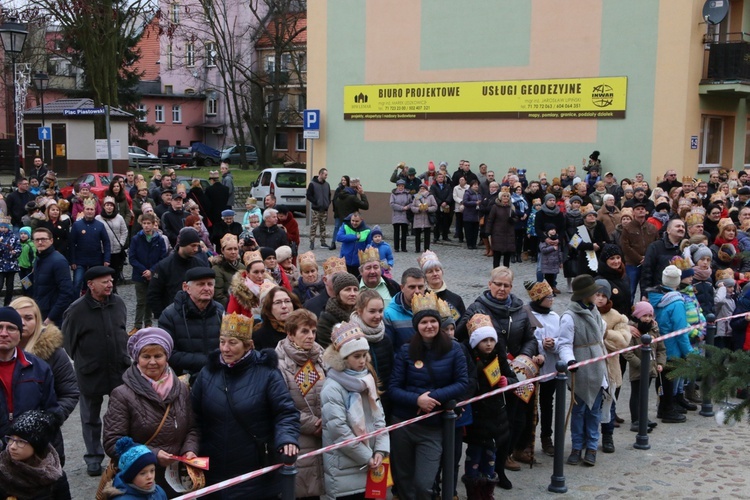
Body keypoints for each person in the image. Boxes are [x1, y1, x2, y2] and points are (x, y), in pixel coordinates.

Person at [191, 313, 300, 498]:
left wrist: (287, 439)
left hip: (255, 474)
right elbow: (194, 417)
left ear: (248, 345)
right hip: (215, 472)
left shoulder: (267, 374)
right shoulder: (207, 373)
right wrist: (191, 450)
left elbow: (285, 412)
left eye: (232, 343)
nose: (225, 349)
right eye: (222, 341)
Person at [456, 266, 539, 471]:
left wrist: (524, 356)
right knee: (495, 420)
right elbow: (460, 336)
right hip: (488, 373)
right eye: (498, 284)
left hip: (515, 371)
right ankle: (491, 462)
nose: (502, 289)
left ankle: (508, 453)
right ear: (489, 284)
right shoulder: (476, 307)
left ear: (511, 287)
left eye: (506, 285)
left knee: (517, 418)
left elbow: (530, 339)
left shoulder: (520, 309)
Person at [389, 293, 469, 500]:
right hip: (404, 423)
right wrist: (417, 399)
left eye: (433, 321)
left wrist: (432, 398)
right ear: (417, 325)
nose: (429, 326)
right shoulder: (406, 350)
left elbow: (462, 383)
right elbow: (394, 388)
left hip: (433, 426)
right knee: (404, 479)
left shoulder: (455, 349)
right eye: (424, 322)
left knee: (424, 484)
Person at [103, 328, 199, 496]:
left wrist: (189, 450)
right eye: (146, 357)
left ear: (167, 357)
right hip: (140, 482)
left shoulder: (182, 389)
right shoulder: (122, 394)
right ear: (137, 358)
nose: (152, 362)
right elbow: (113, 442)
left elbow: (192, 428)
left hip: (177, 478)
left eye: (158, 356)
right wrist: (152, 455)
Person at [62, 266, 129, 476]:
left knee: (121, 416)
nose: (110, 284)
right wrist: (86, 361)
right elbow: (69, 344)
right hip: (91, 372)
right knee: (90, 417)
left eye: (111, 280)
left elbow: (122, 330)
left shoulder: (118, 303)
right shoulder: (76, 310)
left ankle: (122, 455)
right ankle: (93, 458)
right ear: (90, 285)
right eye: (104, 281)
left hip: (119, 369)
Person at [321, 321, 389, 500]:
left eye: (364, 355)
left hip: (372, 462)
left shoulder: (367, 380)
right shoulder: (332, 387)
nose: (362, 361)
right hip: (346, 470)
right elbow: (339, 431)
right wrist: (368, 457)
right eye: (356, 356)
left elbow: (379, 418)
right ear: (344, 358)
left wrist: (380, 451)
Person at [11, 297, 79, 466]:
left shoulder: (54, 353)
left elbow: (70, 392)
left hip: (44, 439)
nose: (23, 323)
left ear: (37, 320)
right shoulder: (4, 352)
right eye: (18, 318)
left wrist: (48, 421)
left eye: (28, 318)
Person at [556, 275, 608, 467]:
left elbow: (600, 333)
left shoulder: (594, 311)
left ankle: (592, 446)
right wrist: (571, 361)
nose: (597, 294)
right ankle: (577, 446)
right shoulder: (569, 317)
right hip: (581, 369)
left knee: (594, 410)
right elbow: (564, 343)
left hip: (597, 366)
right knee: (578, 410)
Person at [275, 309, 326, 499]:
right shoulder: (280, 364)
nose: (310, 336)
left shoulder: (320, 357)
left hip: (325, 437)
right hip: (299, 439)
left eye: (313, 331)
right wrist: (312, 423)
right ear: (290, 334)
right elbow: (281, 405)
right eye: (304, 331)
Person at [462, 313, 515, 496]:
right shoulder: (470, 359)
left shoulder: (498, 358)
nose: (489, 344)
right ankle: (473, 491)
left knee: (491, 457)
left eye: (492, 340)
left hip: (497, 417)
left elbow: (513, 378)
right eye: (484, 340)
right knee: (474, 457)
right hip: (478, 418)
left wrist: (506, 381)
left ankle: (487, 491)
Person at [159, 267, 224, 382]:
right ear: (186, 287)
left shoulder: (219, 310)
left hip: (218, 375)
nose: (206, 288)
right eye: (201, 284)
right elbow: (167, 353)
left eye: (210, 284)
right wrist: (207, 360)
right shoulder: (169, 315)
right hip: (184, 378)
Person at [593, 280, 631, 454]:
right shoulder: (585, 312)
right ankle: (589, 438)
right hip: (591, 369)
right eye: (597, 295)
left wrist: (605, 334)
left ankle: (608, 436)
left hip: (610, 369)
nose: (600, 299)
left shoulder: (617, 317)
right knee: (590, 406)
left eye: (603, 296)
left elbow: (623, 342)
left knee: (609, 405)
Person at [0, 410, 71, 499]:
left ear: (37, 446)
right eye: (11, 439)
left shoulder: (54, 477)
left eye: (21, 441)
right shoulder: (2, 472)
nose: (12, 446)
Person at [525, 280, 560, 458]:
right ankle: (525, 441)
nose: (551, 299)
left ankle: (547, 437)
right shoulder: (526, 314)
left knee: (547, 403)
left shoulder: (555, 317)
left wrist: (553, 344)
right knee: (529, 406)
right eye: (548, 297)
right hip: (531, 367)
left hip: (550, 367)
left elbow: (562, 339)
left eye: (551, 296)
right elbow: (525, 339)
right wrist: (540, 345)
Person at [147, 227, 210, 321]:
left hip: (197, 316)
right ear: (182, 244)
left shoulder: (200, 264)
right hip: (172, 317)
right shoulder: (164, 266)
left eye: (198, 246)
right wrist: (162, 315)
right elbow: (154, 293)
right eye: (193, 245)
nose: (196, 249)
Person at [349, 290, 394, 414]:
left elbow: (391, 369)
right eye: (372, 311)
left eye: (380, 311)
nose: (378, 316)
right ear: (360, 311)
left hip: (385, 399)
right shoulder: (350, 338)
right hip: (361, 402)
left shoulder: (385, 338)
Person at [623, 301, 665, 432]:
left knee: (645, 393)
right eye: (644, 315)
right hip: (638, 369)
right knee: (636, 394)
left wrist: (660, 363)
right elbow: (627, 352)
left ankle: (643, 416)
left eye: (649, 315)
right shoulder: (632, 331)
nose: (647, 318)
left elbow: (661, 348)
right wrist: (642, 365)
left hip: (651, 368)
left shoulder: (654, 329)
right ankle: (636, 420)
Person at [128, 213, 169, 333]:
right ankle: (137, 325)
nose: (146, 226)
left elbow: (162, 258)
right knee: (141, 301)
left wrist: (152, 271)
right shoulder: (136, 239)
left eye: (148, 223)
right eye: (144, 223)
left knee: (150, 299)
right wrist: (143, 270)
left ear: (153, 224)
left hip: (154, 274)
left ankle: (148, 323)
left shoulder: (159, 240)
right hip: (139, 274)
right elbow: (132, 258)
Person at [31, 228, 75, 326]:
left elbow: (66, 292)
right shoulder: (39, 258)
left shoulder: (58, 261)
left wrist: (51, 317)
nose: (40, 242)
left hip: (52, 316)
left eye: (43, 239)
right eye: (37, 240)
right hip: (40, 310)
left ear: (51, 241)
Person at [103, 437, 167, 499]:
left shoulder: (159, 492)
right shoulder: (122, 498)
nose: (150, 476)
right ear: (130, 476)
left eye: (152, 470)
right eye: (142, 473)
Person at [69, 198, 111, 293]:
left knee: (95, 284)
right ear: (83, 210)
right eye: (87, 209)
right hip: (80, 261)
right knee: (77, 282)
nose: (89, 211)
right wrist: (72, 261)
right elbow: (71, 243)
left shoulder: (100, 225)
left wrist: (106, 259)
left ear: (95, 211)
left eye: (91, 209)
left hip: (96, 260)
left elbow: (106, 242)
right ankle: (75, 303)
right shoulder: (77, 225)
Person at [384, 268, 427, 352]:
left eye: (420, 287)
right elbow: (389, 350)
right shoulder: (389, 314)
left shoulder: (432, 308)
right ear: (402, 288)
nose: (417, 291)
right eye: (412, 287)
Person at [641, 218, 686, 297]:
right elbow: (647, 271)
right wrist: (646, 294)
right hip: (659, 293)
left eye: (683, 227)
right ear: (668, 230)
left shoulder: (686, 248)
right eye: (678, 226)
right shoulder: (655, 247)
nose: (681, 228)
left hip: (681, 294)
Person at [418, 250, 466, 321]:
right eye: (430, 271)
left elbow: (463, 323)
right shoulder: (420, 299)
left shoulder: (456, 299)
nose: (435, 274)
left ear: (442, 272)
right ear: (424, 276)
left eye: (437, 270)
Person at [317, 272, 360, 348]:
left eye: (355, 290)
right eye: (347, 289)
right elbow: (328, 348)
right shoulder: (326, 319)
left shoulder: (360, 313)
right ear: (338, 293)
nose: (353, 293)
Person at [253, 286, 302, 351]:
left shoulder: (306, 328)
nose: (284, 306)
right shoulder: (260, 335)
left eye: (287, 301)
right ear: (269, 308)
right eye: (278, 302)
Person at [97, 197, 129, 287]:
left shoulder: (119, 218)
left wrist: (121, 243)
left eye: (111, 205)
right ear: (104, 206)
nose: (109, 207)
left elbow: (124, 231)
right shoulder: (98, 218)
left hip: (116, 250)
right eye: (107, 205)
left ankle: (113, 288)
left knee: (115, 271)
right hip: (103, 250)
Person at [227, 250, 270, 318]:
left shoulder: (272, 288)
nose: (260, 276)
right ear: (247, 273)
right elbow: (231, 318)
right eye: (256, 272)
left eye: (262, 272)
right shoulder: (238, 293)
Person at [211, 233, 245, 308]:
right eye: (229, 249)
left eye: (235, 249)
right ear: (222, 251)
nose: (233, 252)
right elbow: (218, 295)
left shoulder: (242, 267)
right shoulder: (217, 269)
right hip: (227, 308)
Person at [337, 211, 372, 276]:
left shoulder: (367, 230)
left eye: (356, 221)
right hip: (345, 261)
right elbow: (339, 237)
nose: (354, 223)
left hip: (359, 263)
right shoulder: (345, 226)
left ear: (361, 220)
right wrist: (355, 237)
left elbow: (369, 244)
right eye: (352, 221)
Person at [306, 167, 332, 250]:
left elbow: (329, 195)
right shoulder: (312, 184)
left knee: (323, 226)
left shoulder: (327, 184)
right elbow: (308, 195)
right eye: (325, 174)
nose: (326, 176)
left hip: (324, 209)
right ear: (320, 174)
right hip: (316, 210)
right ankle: (312, 242)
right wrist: (315, 202)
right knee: (314, 226)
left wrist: (328, 203)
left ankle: (323, 242)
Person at [0, 215, 20, 306]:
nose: (3, 229)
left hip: (11, 265)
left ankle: (7, 303)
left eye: (5, 227)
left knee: (10, 286)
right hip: (1, 265)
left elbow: (19, 249)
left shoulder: (14, 237)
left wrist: (15, 252)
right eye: (1, 227)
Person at [330, 176, 351, 252]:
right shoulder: (338, 189)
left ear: (347, 181)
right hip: (338, 212)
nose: (343, 181)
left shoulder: (350, 189)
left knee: (346, 228)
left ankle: (346, 243)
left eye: (344, 180)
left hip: (346, 213)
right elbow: (334, 200)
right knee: (336, 227)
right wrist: (337, 208)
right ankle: (333, 242)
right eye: (342, 180)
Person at [453, 176, 468, 243]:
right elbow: (455, 196)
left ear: (465, 181)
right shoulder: (456, 188)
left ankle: (467, 237)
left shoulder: (469, 187)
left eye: (463, 180)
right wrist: (461, 201)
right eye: (460, 180)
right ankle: (460, 237)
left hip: (467, 207)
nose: (461, 181)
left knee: (466, 224)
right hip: (458, 207)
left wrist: (465, 201)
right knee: (459, 224)